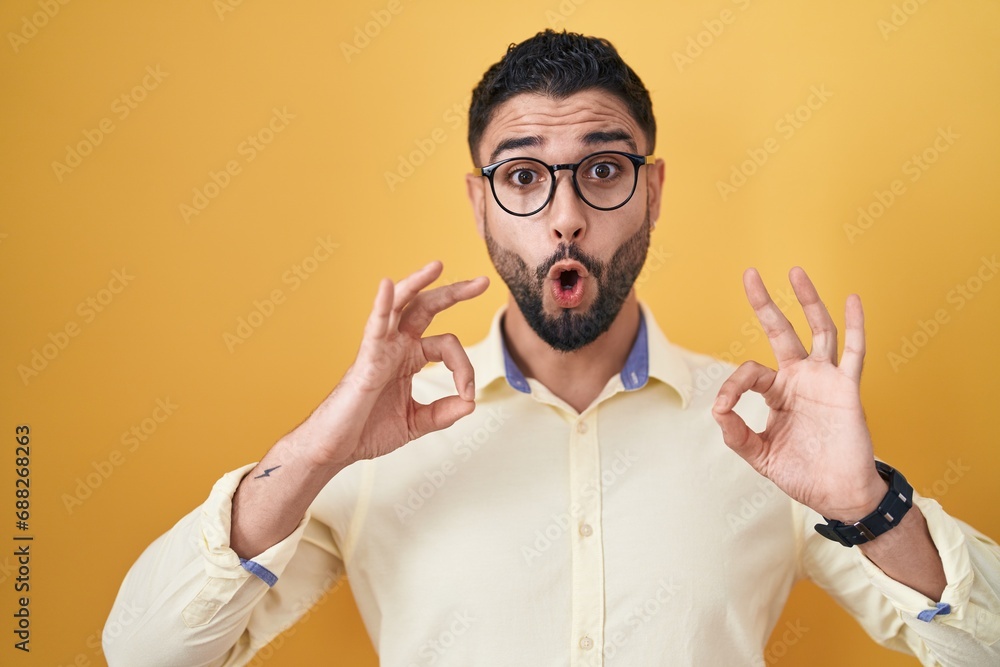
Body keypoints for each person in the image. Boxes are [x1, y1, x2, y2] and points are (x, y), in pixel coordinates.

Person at [104, 30, 1000, 666]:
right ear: (480, 201)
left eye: (602, 171)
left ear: (651, 192)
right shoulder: (372, 445)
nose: (565, 217)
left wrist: (874, 505)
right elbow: (141, 652)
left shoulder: (770, 435)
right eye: (523, 176)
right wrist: (311, 455)